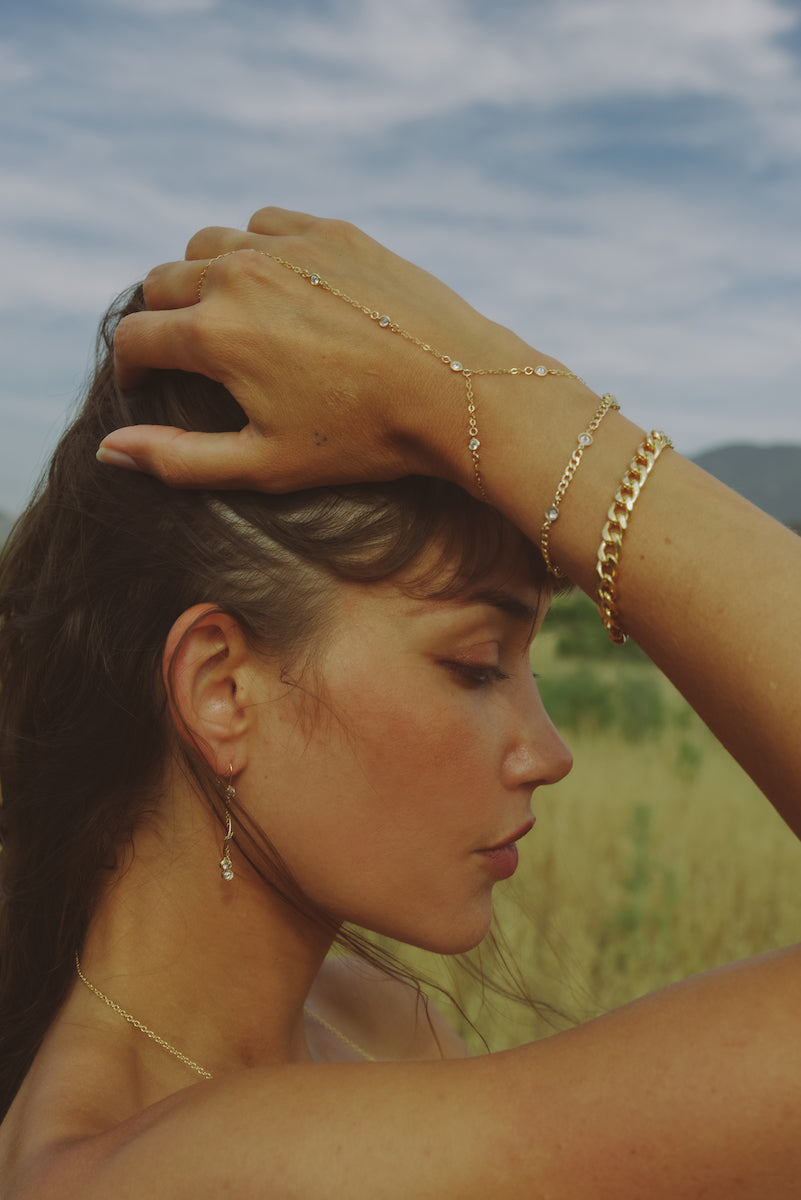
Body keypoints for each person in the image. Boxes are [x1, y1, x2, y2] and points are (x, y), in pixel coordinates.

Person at [0, 207, 800, 1199]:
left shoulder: (361, 1015)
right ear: (222, 690)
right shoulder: (164, 1173)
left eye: (529, 665)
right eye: (475, 665)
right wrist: (484, 394)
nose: (549, 752)